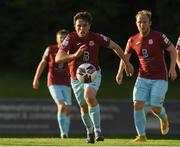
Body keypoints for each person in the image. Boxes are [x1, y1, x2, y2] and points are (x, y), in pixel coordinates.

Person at [55, 11, 134, 144]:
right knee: (83, 107)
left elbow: (115, 46)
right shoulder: (70, 38)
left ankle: (98, 130)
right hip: (76, 78)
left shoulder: (96, 37)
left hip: (94, 74)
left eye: (84, 25)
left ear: (89, 26)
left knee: (90, 96)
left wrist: (127, 62)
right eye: (79, 26)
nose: (81, 28)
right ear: (75, 26)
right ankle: (90, 130)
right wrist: (75, 55)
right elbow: (58, 58)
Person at [116, 10, 177, 142]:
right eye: (139, 22)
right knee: (137, 104)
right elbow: (125, 57)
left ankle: (163, 118)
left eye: (144, 22)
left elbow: (173, 50)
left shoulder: (159, 36)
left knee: (155, 106)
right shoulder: (132, 40)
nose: (142, 24)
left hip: (159, 78)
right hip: (142, 77)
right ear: (136, 23)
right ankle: (141, 135)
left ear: (150, 23)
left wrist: (172, 68)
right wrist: (120, 72)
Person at [33, 29, 72, 138]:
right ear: (57, 39)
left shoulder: (71, 50)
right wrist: (36, 78)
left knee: (68, 108)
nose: (63, 39)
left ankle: (66, 133)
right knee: (61, 105)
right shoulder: (50, 49)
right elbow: (43, 63)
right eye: (61, 37)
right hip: (53, 82)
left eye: (65, 38)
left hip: (67, 83)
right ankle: (62, 133)